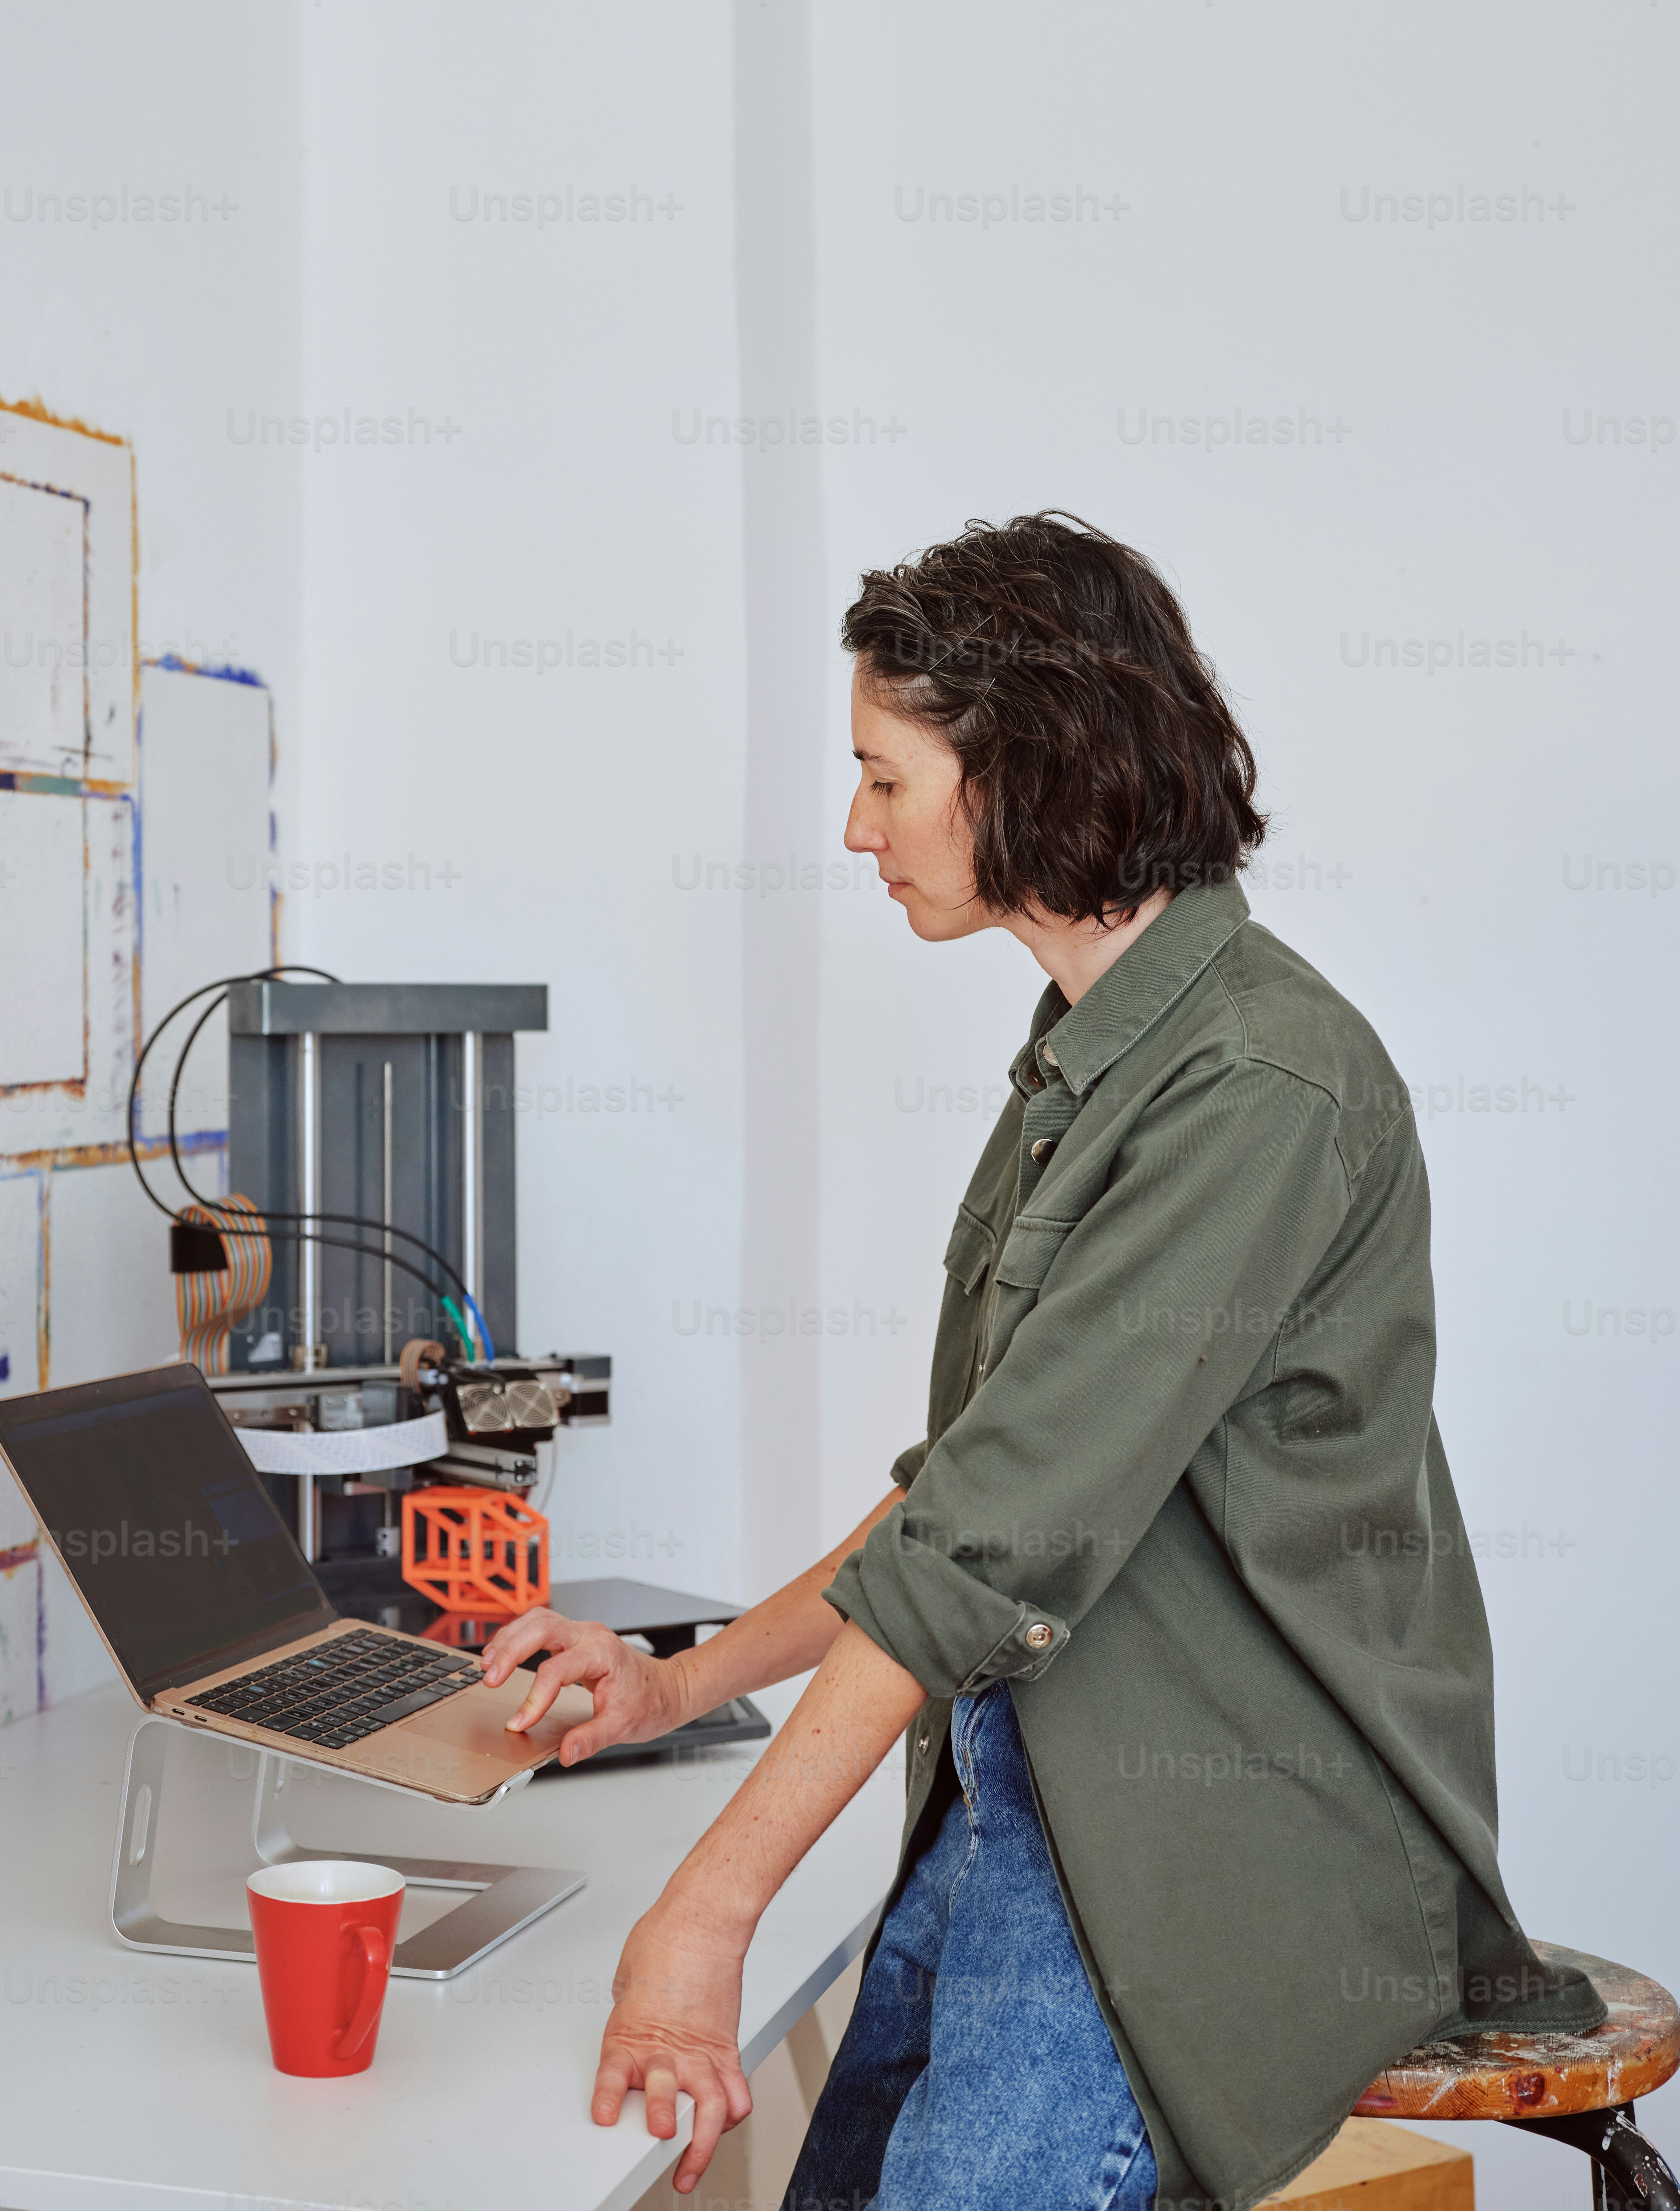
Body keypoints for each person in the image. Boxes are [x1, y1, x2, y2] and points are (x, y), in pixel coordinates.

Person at [479, 512, 1595, 2211]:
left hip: (1220, 1827)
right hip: (1040, 1773)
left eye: (884, 779)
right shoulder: (1093, 1053)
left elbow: (986, 1543)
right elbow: (963, 1503)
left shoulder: (1253, 1085)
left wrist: (706, 1910)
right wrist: (672, 1690)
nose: (854, 828)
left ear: (1026, 771)